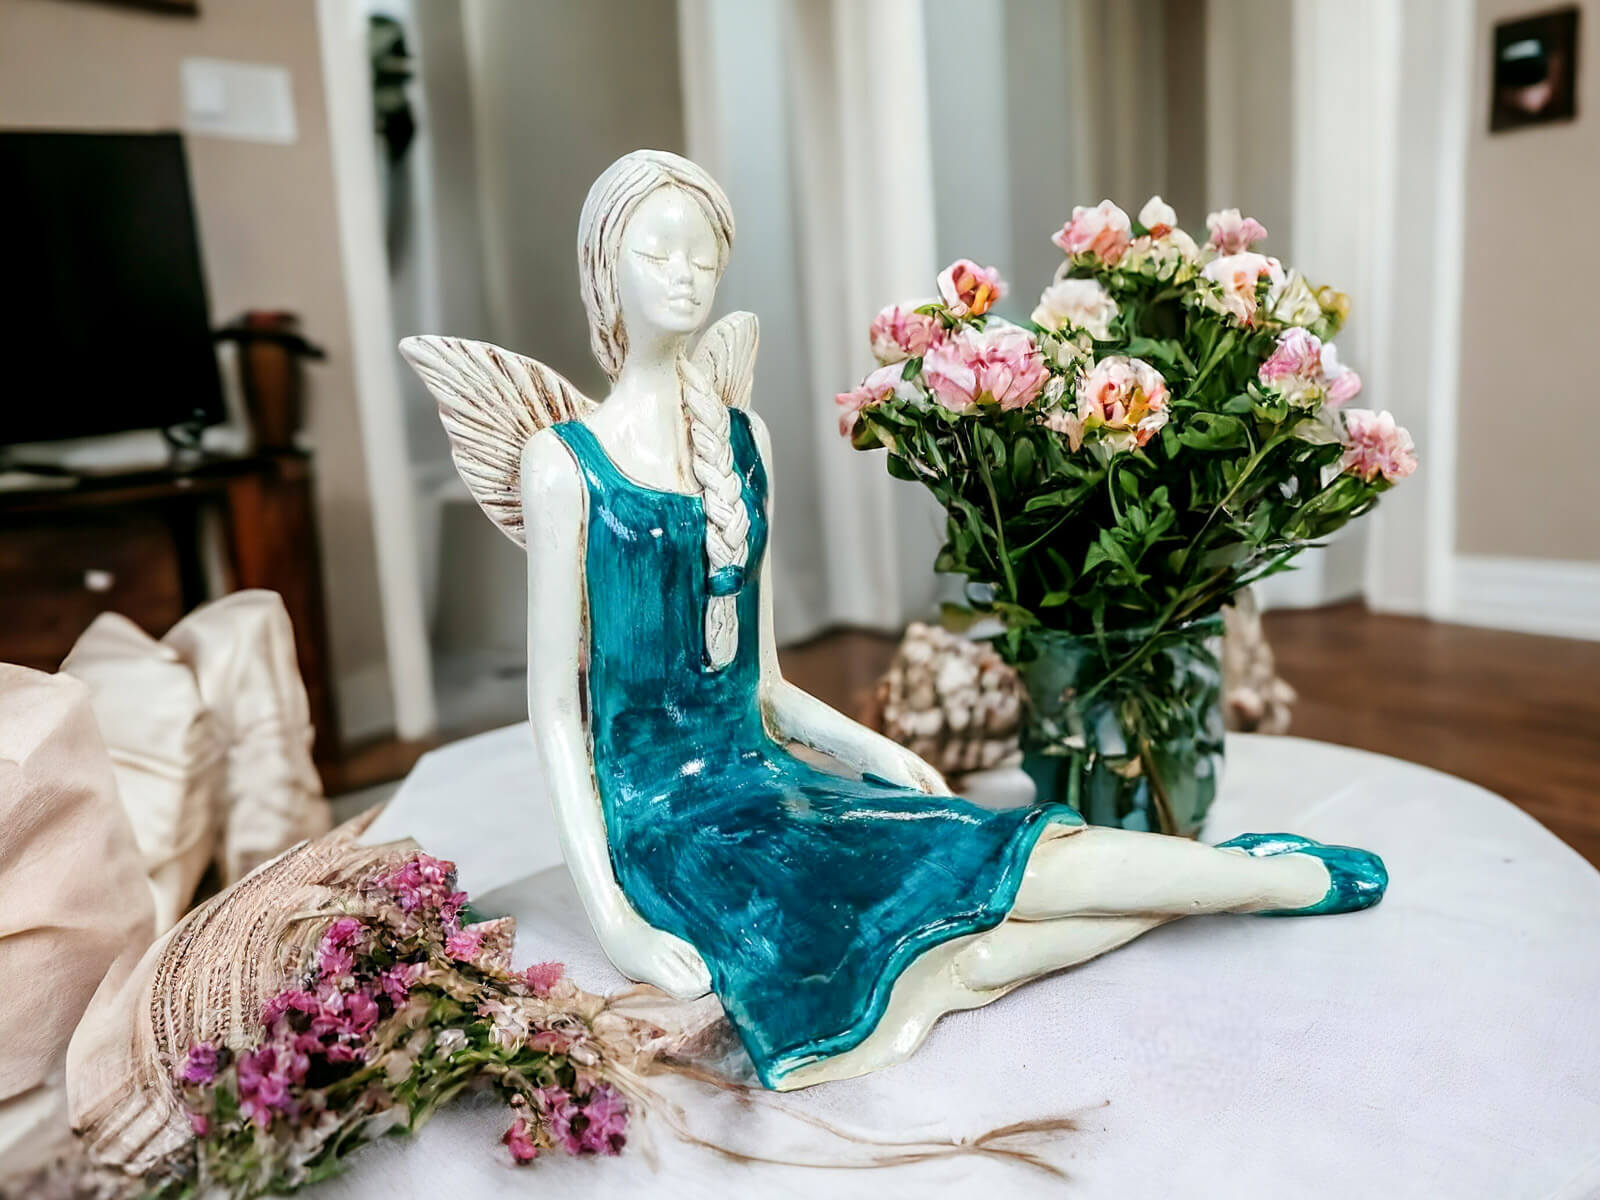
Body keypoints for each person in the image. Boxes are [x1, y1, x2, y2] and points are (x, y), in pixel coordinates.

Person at [401, 149, 1386, 1092]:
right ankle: (1240, 881)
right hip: (673, 836)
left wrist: (872, 750)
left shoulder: (745, 443)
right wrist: (615, 921)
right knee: (916, 941)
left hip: (775, 787)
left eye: (703, 257)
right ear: (602, 272)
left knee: (994, 852)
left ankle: (1256, 880)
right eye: (657, 254)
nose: (685, 278)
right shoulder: (562, 465)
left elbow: (765, 687)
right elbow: (558, 716)